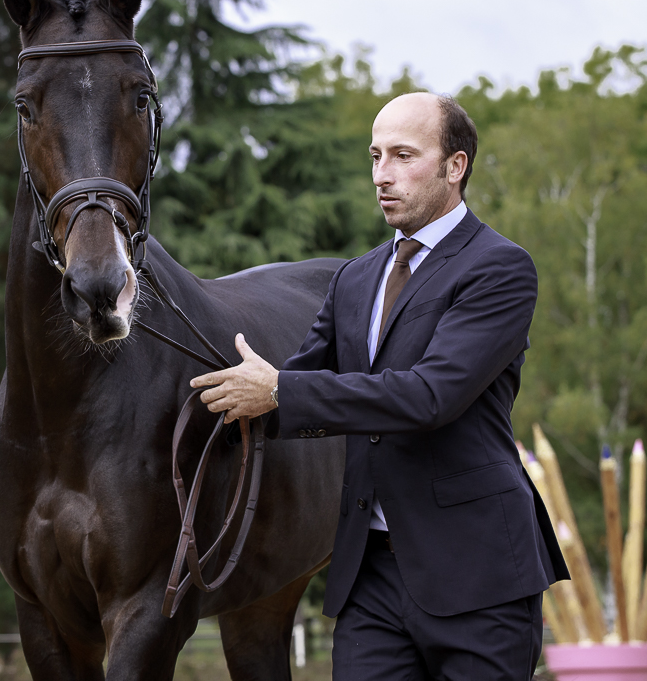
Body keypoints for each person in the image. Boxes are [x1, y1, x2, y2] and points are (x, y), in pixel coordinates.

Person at [190, 92, 568, 681]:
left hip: (479, 575)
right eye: (374, 156)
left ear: (455, 165)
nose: (381, 175)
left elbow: (429, 396)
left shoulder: (500, 269)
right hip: (369, 580)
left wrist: (283, 391)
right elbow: (295, 386)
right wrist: (213, 404)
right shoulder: (355, 278)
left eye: (402, 156)